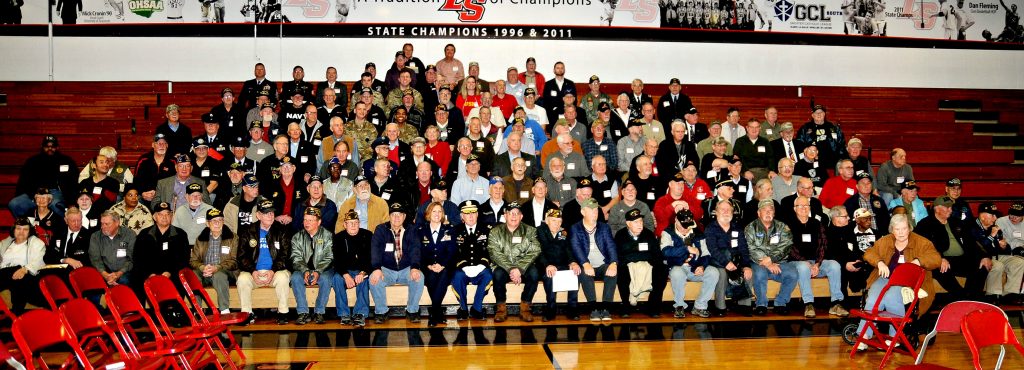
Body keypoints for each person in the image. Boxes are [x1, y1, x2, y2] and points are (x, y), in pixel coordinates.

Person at [853, 214, 941, 350]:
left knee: (891, 297)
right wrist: (880, 263)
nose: (901, 233)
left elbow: (936, 258)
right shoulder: (885, 240)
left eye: (904, 229)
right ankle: (864, 336)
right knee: (872, 299)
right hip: (885, 277)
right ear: (892, 230)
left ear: (909, 228)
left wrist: (919, 261)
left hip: (907, 281)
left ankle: (896, 336)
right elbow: (869, 253)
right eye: (897, 229)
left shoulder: (922, 242)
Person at [916, 195, 990, 302]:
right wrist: (939, 258)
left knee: (982, 267)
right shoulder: (925, 224)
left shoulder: (956, 222)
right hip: (940, 260)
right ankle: (963, 298)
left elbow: (971, 242)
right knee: (942, 270)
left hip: (961, 259)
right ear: (937, 208)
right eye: (947, 207)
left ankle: (970, 299)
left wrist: (984, 256)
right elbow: (923, 247)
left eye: (951, 207)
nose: (950, 210)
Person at [789, 197, 849, 318]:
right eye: (800, 206)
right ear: (794, 209)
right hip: (797, 263)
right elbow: (789, 247)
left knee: (834, 265)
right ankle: (809, 303)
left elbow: (823, 244)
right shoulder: (788, 224)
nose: (803, 208)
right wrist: (806, 262)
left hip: (815, 263)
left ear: (810, 208)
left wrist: (817, 263)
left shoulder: (816, 223)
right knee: (803, 267)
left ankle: (836, 303)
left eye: (806, 206)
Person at [369, 203, 424, 324]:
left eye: (399, 215)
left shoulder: (411, 230)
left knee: (419, 277)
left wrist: (414, 267)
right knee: (374, 279)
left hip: (406, 269)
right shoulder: (381, 229)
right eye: (393, 215)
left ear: (404, 216)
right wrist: (377, 268)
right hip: (387, 269)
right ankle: (381, 311)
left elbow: (416, 249)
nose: (396, 218)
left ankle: (412, 311)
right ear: (389, 216)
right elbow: (375, 250)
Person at [487, 202, 542, 322]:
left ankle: (525, 307)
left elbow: (535, 250)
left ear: (521, 216)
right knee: (497, 275)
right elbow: (494, 253)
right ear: (505, 215)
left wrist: (519, 268)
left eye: (517, 213)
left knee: (534, 274)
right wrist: (511, 269)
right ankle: (501, 309)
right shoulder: (495, 232)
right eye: (511, 213)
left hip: (524, 265)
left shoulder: (530, 231)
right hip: (503, 266)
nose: (514, 216)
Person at [660, 209, 717, 318]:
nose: (685, 228)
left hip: (695, 267)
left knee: (713, 272)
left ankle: (700, 306)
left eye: (688, 225)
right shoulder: (667, 232)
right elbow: (665, 251)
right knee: (677, 273)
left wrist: (702, 266)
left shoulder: (698, 233)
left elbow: (706, 254)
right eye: (683, 225)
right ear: (676, 220)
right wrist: (686, 249)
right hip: (677, 266)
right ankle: (679, 306)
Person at [746, 200, 799, 315]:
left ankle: (780, 302)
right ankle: (761, 304)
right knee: (760, 274)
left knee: (793, 274)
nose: (768, 212)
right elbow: (750, 248)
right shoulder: (750, 228)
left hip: (779, 262)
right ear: (758, 213)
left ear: (774, 213)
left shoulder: (782, 227)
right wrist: (767, 263)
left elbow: (786, 245)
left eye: (771, 210)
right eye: (765, 210)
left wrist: (771, 259)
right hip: (758, 262)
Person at [570, 199, 618, 321]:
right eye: (591, 210)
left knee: (612, 271)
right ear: (583, 212)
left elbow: (611, 245)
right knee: (584, 272)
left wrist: (613, 263)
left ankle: (606, 308)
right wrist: (585, 263)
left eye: (596, 210)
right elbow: (576, 247)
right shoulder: (575, 228)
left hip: (602, 264)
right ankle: (593, 308)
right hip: (586, 264)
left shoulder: (604, 227)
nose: (594, 212)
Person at [130, 202, 189, 299]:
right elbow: (138, 257)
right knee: (136, 277)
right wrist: (150, 274)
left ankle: (176, 312)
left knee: (180, 278)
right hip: (149, 273)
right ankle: (141, 312)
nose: (164, 217)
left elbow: (183, 258)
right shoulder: (144, 234)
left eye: (167, 214)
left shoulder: (180, 234)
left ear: (171, 216)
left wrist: (169, 272)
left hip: (172, 273)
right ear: (154, 217)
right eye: (160, 214)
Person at [705, 201, 754, 316]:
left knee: (747, 273)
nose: (726, 212)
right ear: (716, 212)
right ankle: (720, 306)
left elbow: (743, 248)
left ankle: (743, 305)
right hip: (717, 261)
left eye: (729, 210)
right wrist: (726, 263)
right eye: (723, 209)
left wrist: (746, 265)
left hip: (736, 261)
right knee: (722, 274)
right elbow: (712, 249)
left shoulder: (737, 228)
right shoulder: (711, 228)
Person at [9, 136, 77, 218]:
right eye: (47, 146)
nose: (50, 149)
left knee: (56, 205)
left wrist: (72, 201)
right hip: (34, 193)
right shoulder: (32, 161)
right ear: (42, 147)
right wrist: (33, 195)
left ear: (57, 147)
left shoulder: (67, 161)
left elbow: (73, 182)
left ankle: (59, 229)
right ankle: (27, 226)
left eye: (53, 146)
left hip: (55, 193)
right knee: (14, 204)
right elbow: (23, 181)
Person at [415, 202, 458, 327]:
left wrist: (442, 265)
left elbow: (452, 251)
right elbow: (418, 252)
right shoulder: (421, 230)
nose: (437, 214)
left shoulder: (449, 230)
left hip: (446, 266)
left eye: (440, 211)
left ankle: (434, 311)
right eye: (434, 211)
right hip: (427, 267)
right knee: (432, 277)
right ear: (428, 213)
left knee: (443, 274)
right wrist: (428, 265)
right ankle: (438, 311)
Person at [289, 207, 335, 325]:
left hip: (324, 269)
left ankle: (319, 312)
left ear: (319, 222)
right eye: (305, 220)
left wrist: (317, 271)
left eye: (310, 220)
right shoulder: (297, 237)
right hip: (303, 269)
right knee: (295, 277)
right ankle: (303, 312)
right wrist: (305, 271)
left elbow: (329, 257)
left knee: (326, 279)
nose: (307, 223)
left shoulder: (328, 235)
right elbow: (295, 258)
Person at [971, 202, 1024, 304]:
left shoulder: (994, 226)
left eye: (995, 215)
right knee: (998, 265)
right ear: (982, 216)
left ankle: (1010, 293)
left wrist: (1004, 246)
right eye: (992, 215)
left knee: (1019, 262)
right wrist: (992, 235)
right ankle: (992, 295)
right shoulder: (972, 227)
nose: (995, 218)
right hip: (982, 257)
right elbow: (980, 247)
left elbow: (1005, 248)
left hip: (997, 255)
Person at [450, 201, 494, 320]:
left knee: (488, 275)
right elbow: (452, 251)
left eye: (473, 212)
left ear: (478, 214)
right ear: (462, 216)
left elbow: (490, 250)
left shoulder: (487, 229)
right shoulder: (455, 230)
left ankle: (477, 308)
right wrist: (463, 266)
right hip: (462, 268)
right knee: (457, 277)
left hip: (480, 267)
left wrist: (482, 264)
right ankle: (463, 309)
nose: (470, 216)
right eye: (467, 213)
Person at [188, 208, 237, 313]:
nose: (217, 223)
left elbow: (234, 261)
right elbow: (193, 260)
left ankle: (224, 309)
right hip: (205, 272)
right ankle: (197, 310)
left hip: (226, 272)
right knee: (194, 275)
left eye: (220, 220)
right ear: (207, 223)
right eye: (214, 220)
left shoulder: (232, 237)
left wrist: (217, 268)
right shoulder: (200, 238)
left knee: (219, 275)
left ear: (223, 222)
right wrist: (203, 267)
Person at [535, 208, 581, 321]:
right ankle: (550, 308)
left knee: (575, 272)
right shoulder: (539, 231)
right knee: (550, 275)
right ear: (547, 220)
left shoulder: (563, 232)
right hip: (545, 265)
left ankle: (572, 308)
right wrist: (547, 265)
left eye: (559, 221)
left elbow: (568, 249)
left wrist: (573, 262)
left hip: (562, 264)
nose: (557, 224)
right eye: (554, 221)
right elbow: (538, 252)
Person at [331, 210, 372, 327]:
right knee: (336, 279)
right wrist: (345, 274)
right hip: (345, 271)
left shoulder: (368, 235)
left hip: (362, 270)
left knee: (364, 279)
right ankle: (344, 314)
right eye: (350, 223)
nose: (353, 225)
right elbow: (336, 260)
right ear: (345, 224)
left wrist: (363, 272)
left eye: (355, 222)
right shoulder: (338, 238)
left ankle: (360, 314)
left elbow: (371, 259)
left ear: (359, 223)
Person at [0, 218, 46, 314]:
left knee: (18, 277)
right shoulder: (5, 244)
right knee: (14, 272)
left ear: (30, 231)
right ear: (13, 230)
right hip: (4, 275)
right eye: (18, 229)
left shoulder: (37, 243)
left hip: (27, 276)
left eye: (25, 229)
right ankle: (17, 315)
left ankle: (17, 314)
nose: (21, 232)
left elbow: (39, 261)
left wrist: (25, 269)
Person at [42, 208, 93, 281]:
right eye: (73, 221)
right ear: (66, 221)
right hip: (57, 272)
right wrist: (65, 260)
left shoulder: (89, 236)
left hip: (77, 274)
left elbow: (90, 260)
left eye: (79, 220)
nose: (76, 224)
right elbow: (47, 257)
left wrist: (74, 262)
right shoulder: (58, 234)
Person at [89, 211, 136, 287]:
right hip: (104, 272)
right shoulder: (95, 237)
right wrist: (105, 275)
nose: (103, 227)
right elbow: (95, 259)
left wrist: (119, 273)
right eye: (102, 223)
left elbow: (131, 259)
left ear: (117, 223)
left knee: (125, 281)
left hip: (125, 272)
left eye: (107, 224)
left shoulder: (129, 235)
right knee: (93, 290)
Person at [795, 104, 846, 171]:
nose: (819, 114)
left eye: (821, 112)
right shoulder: (805, 128)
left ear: (824, 114)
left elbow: (841, 143)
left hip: (831, 162)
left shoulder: (833, 127)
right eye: (816, 113)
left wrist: (839, 158)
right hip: (812, 161)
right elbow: (799, 144)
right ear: (812, 115)